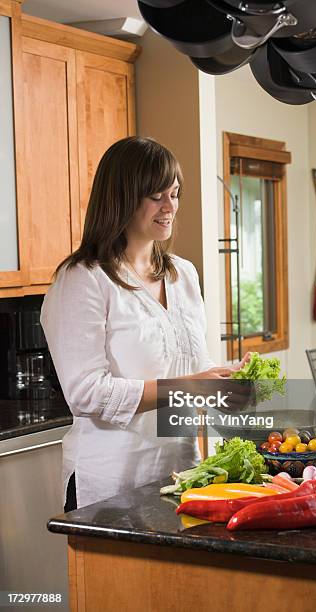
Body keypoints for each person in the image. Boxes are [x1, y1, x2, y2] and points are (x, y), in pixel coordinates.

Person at [41, 136, 249, 511]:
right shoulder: (82, 279)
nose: (170, 206)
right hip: (109, 486)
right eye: (157, 195)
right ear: (122, 198)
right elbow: (86, 392)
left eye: (175, 193)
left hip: (183, 474)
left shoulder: (182, 274)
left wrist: (222, 386)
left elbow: (191, 371)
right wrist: (187, 386)